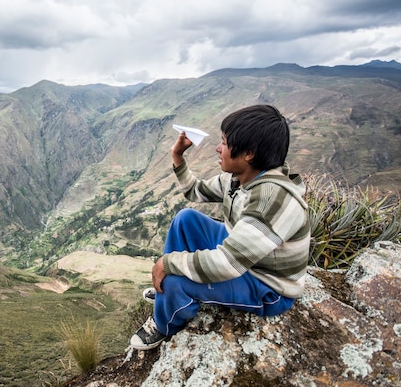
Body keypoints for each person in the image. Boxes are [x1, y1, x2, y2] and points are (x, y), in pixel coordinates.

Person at [130, 104, 310, 350]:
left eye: (224, 143)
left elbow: (227, 264)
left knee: (175, 280)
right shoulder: (241, 178)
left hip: (267, 284)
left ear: (248, 153)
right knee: (185, 219)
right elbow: (195, 191)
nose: (218, 148)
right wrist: (177, 157)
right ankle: (167, 296)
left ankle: (164, 322)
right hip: (249, 258)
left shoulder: (271, 199)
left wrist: (168, 263)